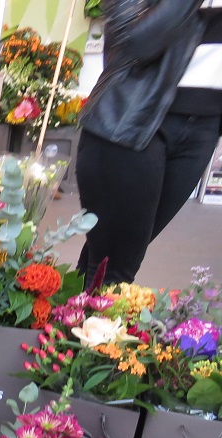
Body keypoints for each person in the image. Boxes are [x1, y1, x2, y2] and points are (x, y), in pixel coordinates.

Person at [76, 0, 222, 284]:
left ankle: (70, 307)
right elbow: (137, 43)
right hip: (131, 121)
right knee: (114, 269)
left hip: (203, 127)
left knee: (108, 257)